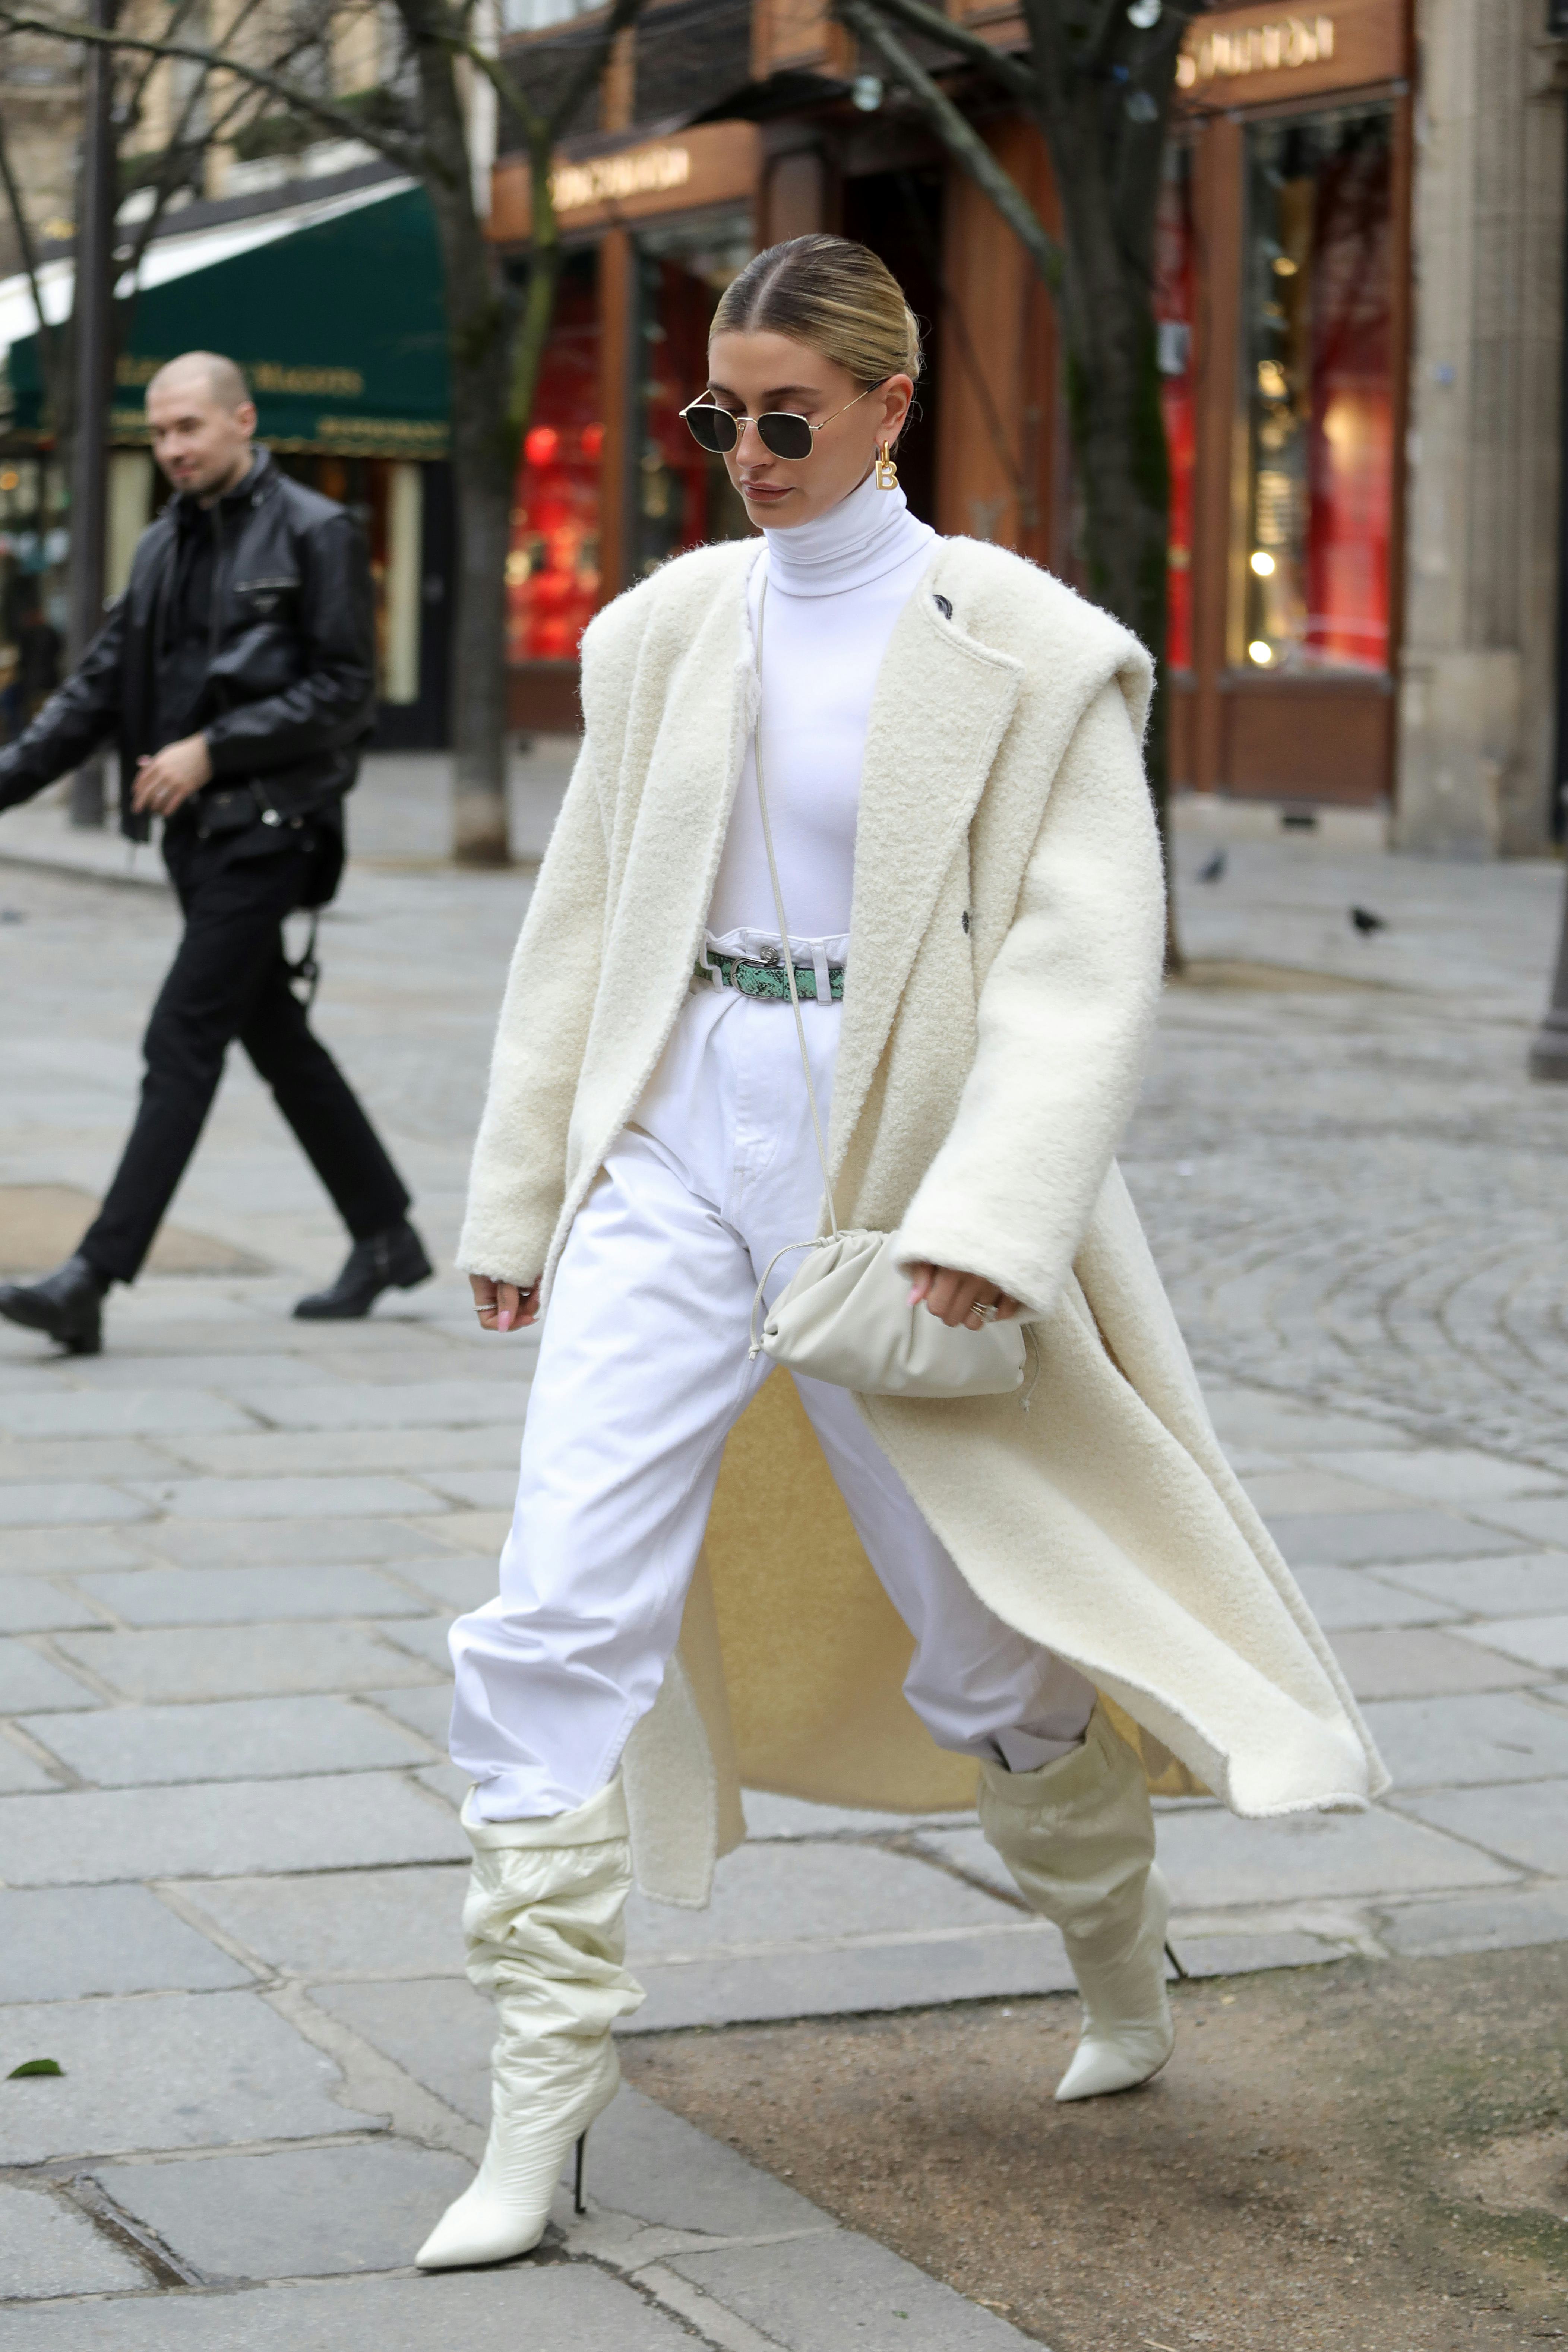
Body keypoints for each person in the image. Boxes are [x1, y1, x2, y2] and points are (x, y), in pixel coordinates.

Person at [417, 236, 1385, 2273]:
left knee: (986, 1640)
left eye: (786, 415)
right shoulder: (664, 627)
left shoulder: (1027, 645)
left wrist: (987, 1222)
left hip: (896, 1174)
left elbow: (1079, 956)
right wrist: (522, 1196)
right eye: (714, 415)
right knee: (557, 1600)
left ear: (886, 406)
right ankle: (538, 2099)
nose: (746, 451)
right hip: (676, 1140)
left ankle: (1119, 1965)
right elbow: (584, 922)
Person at [0, 353, 431, 1354]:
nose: (175, 449)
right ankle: (385, 1234)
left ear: (243, 420)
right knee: (274, 1036)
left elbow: (345, 690)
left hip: (275, 829)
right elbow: (94, 695)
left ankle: (92, 1277)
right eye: (159, 433)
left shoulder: (318, 531)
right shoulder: (159, 547)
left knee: (181, 1037)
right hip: (198, 845)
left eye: (191, 427)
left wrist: (212, 750)